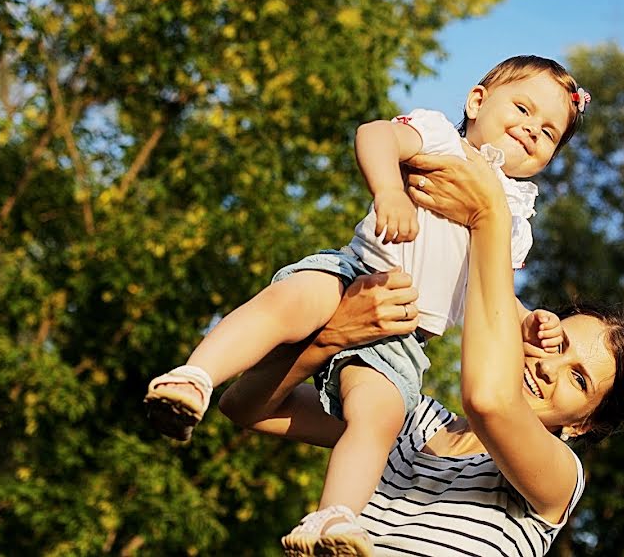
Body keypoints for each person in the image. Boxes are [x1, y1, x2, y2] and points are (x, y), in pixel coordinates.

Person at [144, 56, 593, 550]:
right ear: (476, 101)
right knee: (288, 302)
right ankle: (193, 378)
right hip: (351, 277)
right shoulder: (442, 138)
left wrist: (526, 319)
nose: (532, 130)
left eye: (549, 132)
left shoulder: (512, 219)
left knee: (377, 421)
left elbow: (492, 293)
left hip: (403, 341)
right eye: (524, 109)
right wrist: (388, 190)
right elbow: (374, 134)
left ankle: (334, 519)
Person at [218, 149, 624, 556]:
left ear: (583, 423)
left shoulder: (558, 479)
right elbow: (246, 406)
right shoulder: (405, 420)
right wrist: (329, 340)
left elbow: (488, 401)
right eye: (558, 345)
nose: (548, 368)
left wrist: (489, 217)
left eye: (578, 379)